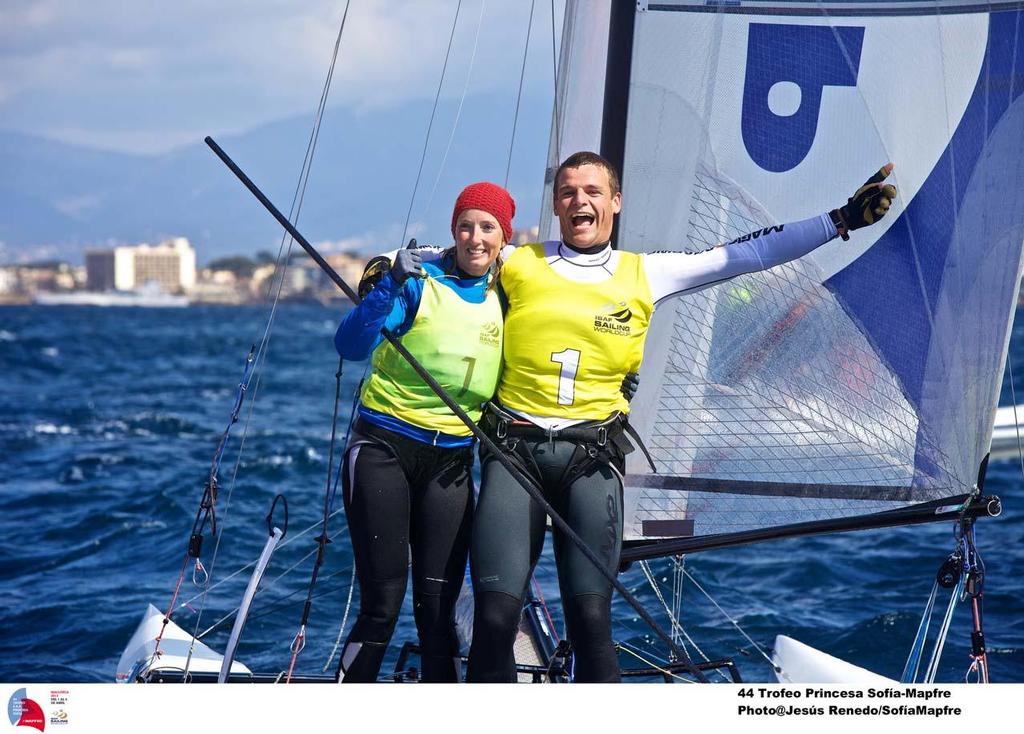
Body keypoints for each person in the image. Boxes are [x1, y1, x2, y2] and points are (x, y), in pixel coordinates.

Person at [464, 151, 897, 682]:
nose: (581, 201)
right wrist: (387, 269)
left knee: (591, 620)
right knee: (494, 617)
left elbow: (745, 254)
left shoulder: (645, 272)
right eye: (569, 192)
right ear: (556, 204)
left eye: (594, 191)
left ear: (615, 203)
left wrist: (839, 221)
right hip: (515, 456)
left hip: (590, 462)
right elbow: (444, 258)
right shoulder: (515, 262)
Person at [333, 181, 515, 682]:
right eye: (465, 226)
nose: (475, 238)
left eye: (487, 228)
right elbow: (349, 345)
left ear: (505, 238)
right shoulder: (419, 285)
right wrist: (389, 283)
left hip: (450, 466)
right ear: (453, 233)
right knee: (382, 607)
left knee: (438, 613)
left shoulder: (507, 300)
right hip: (383, 450)